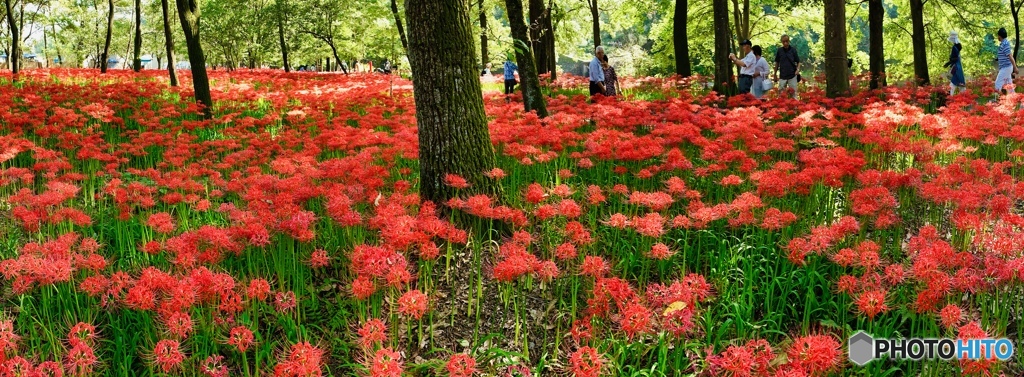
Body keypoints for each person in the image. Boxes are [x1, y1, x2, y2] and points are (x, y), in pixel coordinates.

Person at [996, 27, 1018, 95]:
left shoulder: (1005, 44)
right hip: (1006, 67)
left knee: (997, 84)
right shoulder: (1004, 43)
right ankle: (1014, 100)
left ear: (999, 36)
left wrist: (1015, 67)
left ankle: (1000, 100)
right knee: (1009, 86)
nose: (997, 37)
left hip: (1006, 68)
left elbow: (1010, 56)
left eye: (998, 35)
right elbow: (1005, 55)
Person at [944, 31, 966, 95]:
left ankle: (951, 99)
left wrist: (948, 62)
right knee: (958, 83)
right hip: (958, 66)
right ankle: (965, 99)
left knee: (954, 84)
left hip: (956, 67)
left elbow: (955, 58)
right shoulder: (958, 46)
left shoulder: (954, 47)